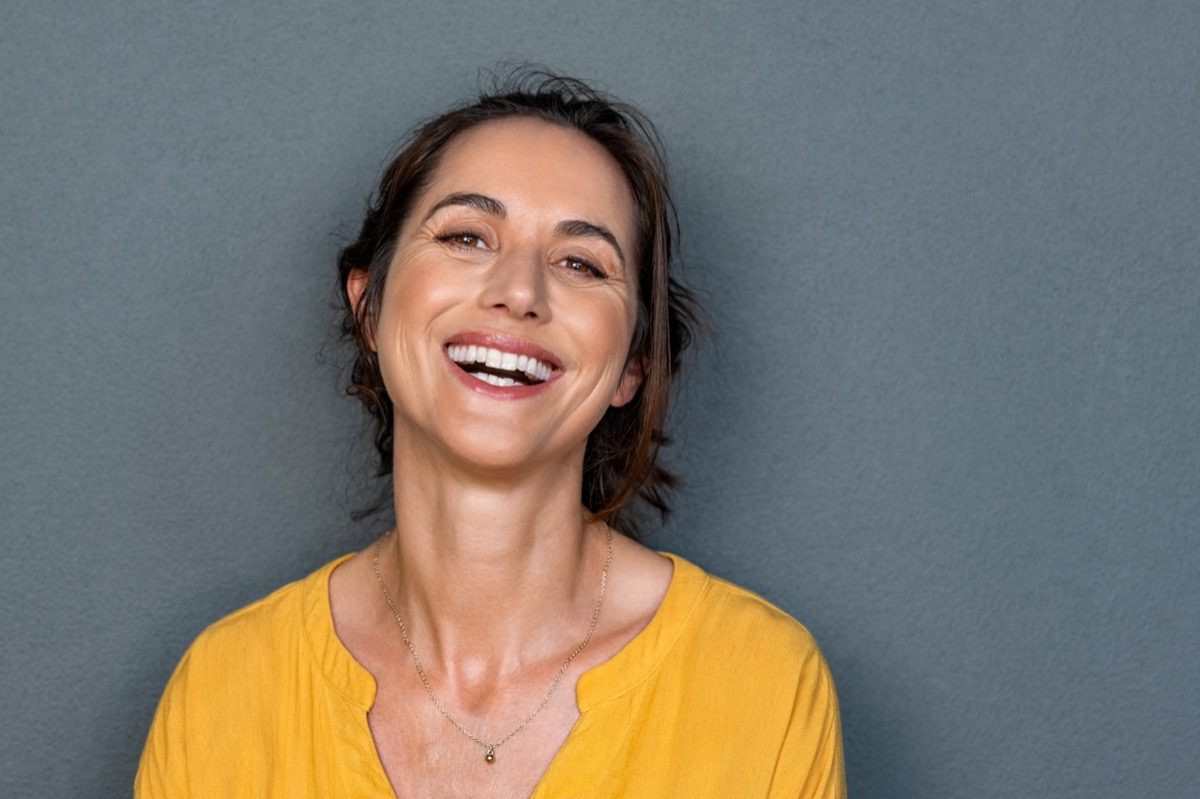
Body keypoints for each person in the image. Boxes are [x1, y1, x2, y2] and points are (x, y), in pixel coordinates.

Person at [135, 68, 846, 798]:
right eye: (467, 236)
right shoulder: (222, 692)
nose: (519, 291)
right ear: (370, 306)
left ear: (633, 364)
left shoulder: (763, 685)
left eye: (580, 262)